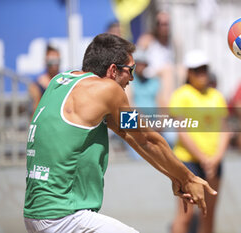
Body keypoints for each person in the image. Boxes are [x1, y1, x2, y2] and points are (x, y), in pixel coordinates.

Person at [23, 33, 217, 233]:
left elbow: (133, 138)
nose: (132, 78)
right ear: (113, 70)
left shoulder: (59, 81)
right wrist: (188, 178)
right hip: (65, 216)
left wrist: (174, 176)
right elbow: (147, 140)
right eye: (130, 70)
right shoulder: (107, 90)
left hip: (35, 215)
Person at [170, 50, 230, 233]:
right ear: (189, 72)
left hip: (213, 162)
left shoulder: (216, 95)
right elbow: (183, 132)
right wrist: (204, 158)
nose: (202, 73)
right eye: (197, 70)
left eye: (204, 69)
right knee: (185, 214)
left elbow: (224, 129)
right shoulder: (182, 95)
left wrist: (215, 158)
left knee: (208, 213)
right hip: (188, 162)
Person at [28, 44, 60, 113]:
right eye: (51, 61)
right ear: (46, 61)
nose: (54, 65)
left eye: (57, 61)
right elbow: (34, 111)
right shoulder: (37, 84)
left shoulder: (64, 80)